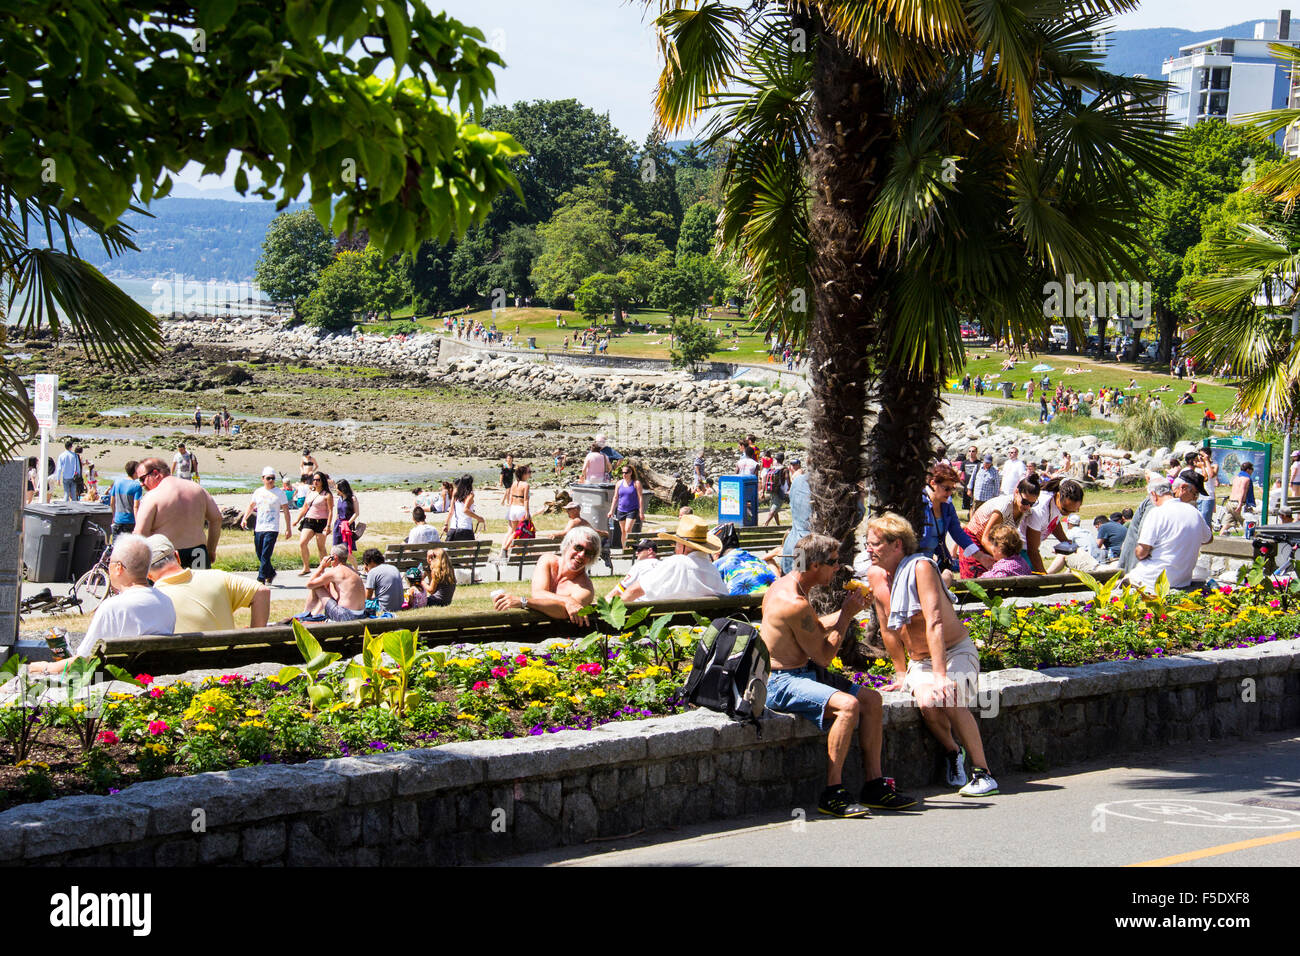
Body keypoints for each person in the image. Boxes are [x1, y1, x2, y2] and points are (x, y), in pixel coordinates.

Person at [762, 531, 915, 816]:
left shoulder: (790, 586)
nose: (838, 568)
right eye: (833, 562)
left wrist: (851, 611)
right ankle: (832, 792)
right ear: (815, 566)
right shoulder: (793, 602)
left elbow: (812, 626)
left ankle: (874, 785)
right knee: (848, 706)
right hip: (782, 681)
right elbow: (823, 656)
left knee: (872, 700)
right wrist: (845, 615)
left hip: (802, 673)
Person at [865, 513, 998, 798]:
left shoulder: (921, 567)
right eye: (867, 543)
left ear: (897, 545)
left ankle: (983, 773)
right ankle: (953, 751)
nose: (868, 549)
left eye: (875, 544)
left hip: (954, 651)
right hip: (919, 660)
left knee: (946, 694)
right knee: (927, 702)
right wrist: (901, 673)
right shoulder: (875, 576)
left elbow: (934, 622)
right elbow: (889, 628)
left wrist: (941, 677)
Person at [27, 535, 176, 675]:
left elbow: (83, 661)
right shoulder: (166, 602)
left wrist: (46, 667)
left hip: (113, 681)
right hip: (153, 676)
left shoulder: (113, 607)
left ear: (118, 568)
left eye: (109, 563)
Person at [147, 534, 269, 631]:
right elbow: (262, 591)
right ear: (177, 556)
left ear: (148, 574)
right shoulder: (219, 577)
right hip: (226, 659)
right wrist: (255, 636)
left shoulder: (151, 600)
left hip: (181, 662)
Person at [493, 526, 601, 624]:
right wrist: (568, 600)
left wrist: (523, 602)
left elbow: (563, 612)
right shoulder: (547, 560)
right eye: (578, 548)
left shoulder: (585, 588)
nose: (581, 555)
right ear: (568, 544)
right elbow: (538, 593)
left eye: (588, 553)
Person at [133, 458, 222, 570]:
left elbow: (140, 532)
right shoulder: (198, 489)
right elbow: (217, 519)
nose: (141, 484)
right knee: (199, 587)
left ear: (155, 474)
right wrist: (211, 550)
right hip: (199, 553)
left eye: (142, 479)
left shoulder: (152, 496)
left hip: (167, 557)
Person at [1128, 478, 1213, 591]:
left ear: (1154, 494)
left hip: (1154, 579)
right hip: (1182, 579)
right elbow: (1208, 538)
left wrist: (1138, 551)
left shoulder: (1157, 513)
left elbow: (1142, 552)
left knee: (1125, 581)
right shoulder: (1194, 512)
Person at [621, 515, 728, 602]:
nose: (675, 548)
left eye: (676, 543)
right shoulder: (712, 569)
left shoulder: (677, 563)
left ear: (683, 546)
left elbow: (633, 591)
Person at [958, 477, 1040, 578]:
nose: (1027, 507)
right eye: (1025, 502)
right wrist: (1003, 560)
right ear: (1016, 492)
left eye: (1032, 504)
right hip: (974, 540)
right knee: (975, 580)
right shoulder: (1004, 507)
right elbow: (985, 538)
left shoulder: (1024, 509)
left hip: (993, 545)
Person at [918, 463, 987, 582]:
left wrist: (979, 555)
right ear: (933, 483)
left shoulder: (947, 506)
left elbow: (957, 532)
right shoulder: (919, 504)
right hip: (915, 561)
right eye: (946, 488)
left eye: (952, 489)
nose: (950, 493)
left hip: (934, 561)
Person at [239, 466, 292, 586]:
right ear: (263, 479)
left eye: (273, 478)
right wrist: (244, 519)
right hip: (259, 527)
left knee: (266, 554)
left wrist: (288, 528)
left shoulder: (280, 493)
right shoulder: (258, 492)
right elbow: (251, 506)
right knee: (259, 553)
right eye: (268, 478)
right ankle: (271, 573)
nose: (271, 481)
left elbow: (286, 511)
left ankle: (261, 578)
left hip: (272, 528)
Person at [1023, 477, 1085, 573]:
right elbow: (1032, 550)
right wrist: (1044, 577)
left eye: (1073, 511)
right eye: (1065, 510)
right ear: (1058, 495)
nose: (1067, 514)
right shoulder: (1040, 509)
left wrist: (1065, 541)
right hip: (1021, 549)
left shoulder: (1059, 504)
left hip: (1029, 550)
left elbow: (1054, 521)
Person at [299, 545, 366, 622]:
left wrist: (322, 567)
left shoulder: (335, 571)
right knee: (326, 584)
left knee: (317, 586)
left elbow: (309, 584)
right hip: (361, 614)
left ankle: (305, 613)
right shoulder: (353, 570)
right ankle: (314, 613)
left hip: (345, 615)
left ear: (334, 557)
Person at [711, 523, 776, 595]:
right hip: (772, 597)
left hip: (740, 602)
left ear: (718, 549)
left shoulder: (718, 564)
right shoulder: (756, 560)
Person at [293, 471, 334, 574]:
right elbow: (305, 508)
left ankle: (322, 569)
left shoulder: (327, 495)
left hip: (321, 522)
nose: (315, 482)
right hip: (308, 521)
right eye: (314, 480)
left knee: (321, 547)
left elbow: (330, 511)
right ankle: (306, 567)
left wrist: (328, 526)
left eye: (318, 480)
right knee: (303, 543)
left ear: (322, 481)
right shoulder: (310, 492)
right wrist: (297, 520)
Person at [607, 462, 644, 553]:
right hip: (621, 509)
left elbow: (640, 498)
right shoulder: (619, 483)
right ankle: (624, 549)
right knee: (623, 531)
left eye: (626, 472)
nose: (624, 474)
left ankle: (630, 547)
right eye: (622, 472)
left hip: (632, 510)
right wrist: (611, 510)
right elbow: (615, 497)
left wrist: (641, 512)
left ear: (630, 473)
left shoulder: (636, 483)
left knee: (628, 529)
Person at [498, 464, 533, 557]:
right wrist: (527, 512)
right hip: (521, 509)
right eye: (528, 473)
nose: (529, 475)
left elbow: (511, 497)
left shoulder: (514, 483)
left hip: (513, 508)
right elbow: (526, 499)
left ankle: (512, 550)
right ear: (524, 474)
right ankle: (506, 548)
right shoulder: (526, 485)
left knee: (514, 532)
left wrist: (510, 508)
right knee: (522, 531)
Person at [362, 548, 405, 614]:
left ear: (371, 561)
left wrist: (368, 572)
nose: (365, 566)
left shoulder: (373, 571)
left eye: (365, 563)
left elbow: (367, 597)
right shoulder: (393, 568)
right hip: (399, 606)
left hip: (384, 608)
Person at [444, 474, 485, 541]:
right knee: (469, 550)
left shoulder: (455, 494)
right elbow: (465, 510)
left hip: (453, 528)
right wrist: (479, 518)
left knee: (450, 550)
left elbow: (451, 511)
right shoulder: (470, 494)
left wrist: (446, 524)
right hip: (465, 528)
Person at [108, 460, 143, 537]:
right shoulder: (137, 486)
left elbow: (112, 502)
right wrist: (138, 524)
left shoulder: (117, 482)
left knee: (116, 546)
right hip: (130, 521)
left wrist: (114, 516)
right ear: (135, 472)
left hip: (118, 519)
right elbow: (136, 506)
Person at [1223, 461, 1256, 533]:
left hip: (1230, 503)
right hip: (1238, 504)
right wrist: (1240, 505)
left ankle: (1220, 537)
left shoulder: (1236, 478)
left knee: (1227, 525)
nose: (1252, 471)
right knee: (1249, 524)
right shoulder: (1246, 479)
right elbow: (1242, 492)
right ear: (1248, 470)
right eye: (1252, 469)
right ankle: (1251, 542)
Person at [332, 478, 361, 556]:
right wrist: (335, 524)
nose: (336, 491)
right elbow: (337, 513)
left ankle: (355, 567)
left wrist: (348, 523)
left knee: (347, 550)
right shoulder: (339, 499)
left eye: (337, 489)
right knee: (335, 548)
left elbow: (356, 513)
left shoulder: (352, 499)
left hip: (347, 525)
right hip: (338, 524)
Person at [764, 452, 790, 525]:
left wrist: (763, 491)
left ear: (776, 459)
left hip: (771, 489)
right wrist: (789, 488)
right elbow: (787, 479)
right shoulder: (784, 469)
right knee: (775, 508)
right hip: (779, 490)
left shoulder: (772, 468)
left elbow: (766, 478)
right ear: (783, 459)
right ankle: (766, 523)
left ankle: (778, 524)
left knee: (774, 507)